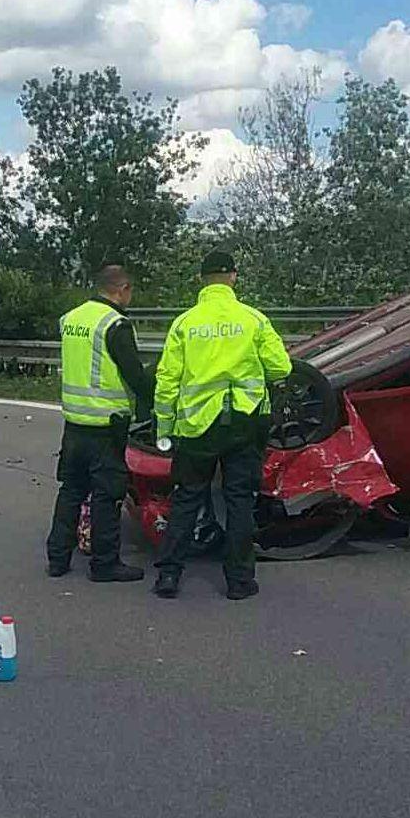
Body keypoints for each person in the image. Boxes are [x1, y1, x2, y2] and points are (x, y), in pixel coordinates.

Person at [151, 249, 292, 600]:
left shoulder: (185, 323)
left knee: (187, 498)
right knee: (239, 502)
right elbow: (281, 368)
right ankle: (239, 582)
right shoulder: (254, 320)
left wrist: (165, 429)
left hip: (198, 425)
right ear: (233, 277)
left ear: (202, 280)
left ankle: (169, 576)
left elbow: (167, 380)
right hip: (245, 421)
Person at [47, 264, 153, 582]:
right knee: (107, 495)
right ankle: (105, 564)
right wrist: (155, 398)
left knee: (71, 490)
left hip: (74, 422)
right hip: (105, 425)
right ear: (123, 289)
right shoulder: (116, 324)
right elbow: (134, 374)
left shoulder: (71, 318)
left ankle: (57, 558)